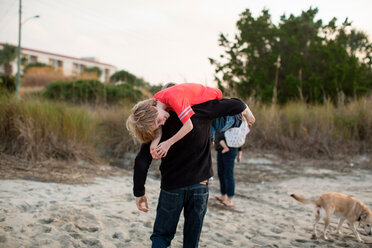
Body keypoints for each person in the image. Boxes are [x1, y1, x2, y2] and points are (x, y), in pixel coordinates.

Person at [132, 98, 252, 247]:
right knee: (191, 239)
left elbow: (142, 161)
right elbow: (233, 106)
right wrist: (243, 114)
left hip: (172, 187)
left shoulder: (157, 123)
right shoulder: (201, 110)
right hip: (200, 185)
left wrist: (139, 192)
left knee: (162, 236)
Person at [126, 83, 223, 159]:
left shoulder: (173, 98)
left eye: (158, 121)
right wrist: (155, 142)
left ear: (153, 109)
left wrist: (168, 143)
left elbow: (189, 126)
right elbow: (158, 127)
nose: (163, 123)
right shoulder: (157, 101)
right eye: (159, 124)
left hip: (212, 98)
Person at [212, 116, 252, 207]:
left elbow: (239, 136)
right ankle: (223, 195)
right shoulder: (228, 118)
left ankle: (230, 199)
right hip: (221, 148)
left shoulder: (237, 120)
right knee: (221, 172)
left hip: (230, 149)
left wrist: (239, 151)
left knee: (228, 174)